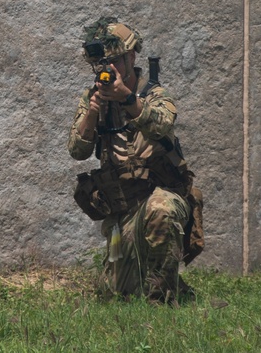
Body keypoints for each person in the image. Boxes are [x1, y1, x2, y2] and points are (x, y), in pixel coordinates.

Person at [68, 17, 203, 304]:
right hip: (123, 211)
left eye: (115, 61)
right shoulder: (93, 97)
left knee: (161, 210)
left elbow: (161, 125)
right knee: (115, 297)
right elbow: (77, 151)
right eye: (102, 65)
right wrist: (92, 113)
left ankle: (163, 304)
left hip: (160, 196)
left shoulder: (154, 93)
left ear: (131, 57)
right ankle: (177, 290)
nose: (109, 70)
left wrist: (128, 99)